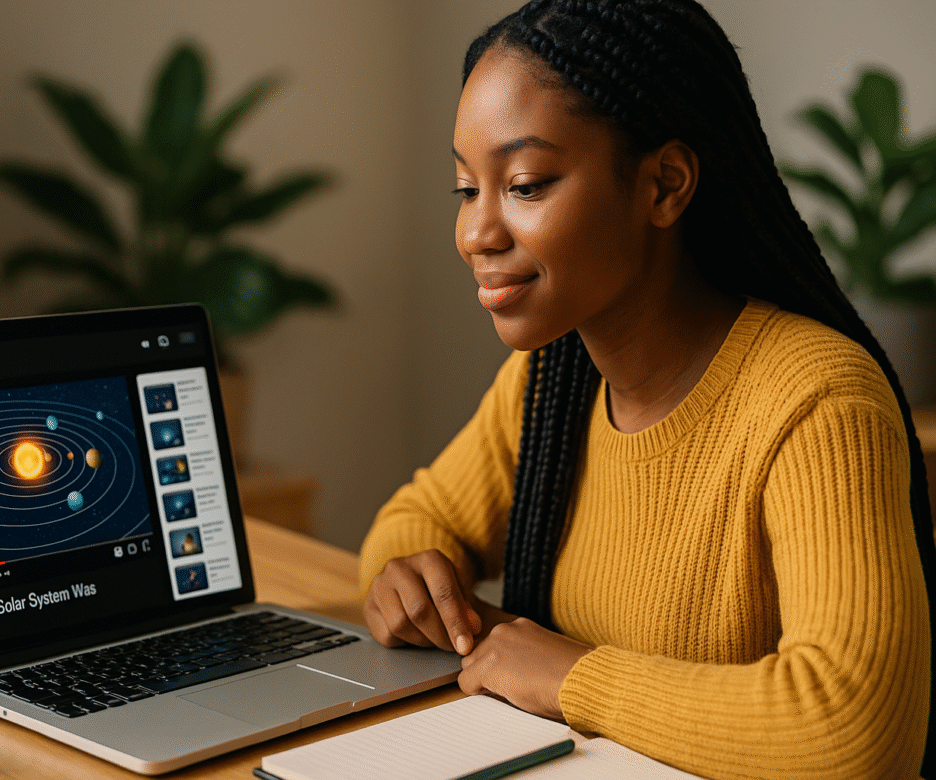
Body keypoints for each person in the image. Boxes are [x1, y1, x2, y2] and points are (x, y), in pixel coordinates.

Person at [357, 1, 934, 777]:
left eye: (524, 185)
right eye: (466, 189)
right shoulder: (550, 383)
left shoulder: (818, 402)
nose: (475, 235)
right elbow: (412, 522)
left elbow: (855, 730)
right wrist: (413, 580)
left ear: (664, 185)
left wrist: (570, 676)